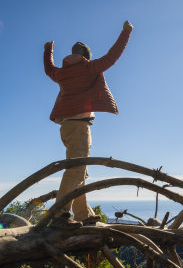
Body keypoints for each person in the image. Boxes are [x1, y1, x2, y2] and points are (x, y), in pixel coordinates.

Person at [43, 21, 133, 228]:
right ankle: (59, 215)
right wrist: (126, 32)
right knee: (75, 171)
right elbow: (113, 56)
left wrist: (48, 50)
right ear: (86, 56)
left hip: (66, 126)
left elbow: (49, 69)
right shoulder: (89, 68)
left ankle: (83, 214)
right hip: (79, 126)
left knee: (80, 170)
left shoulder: (62, 73)